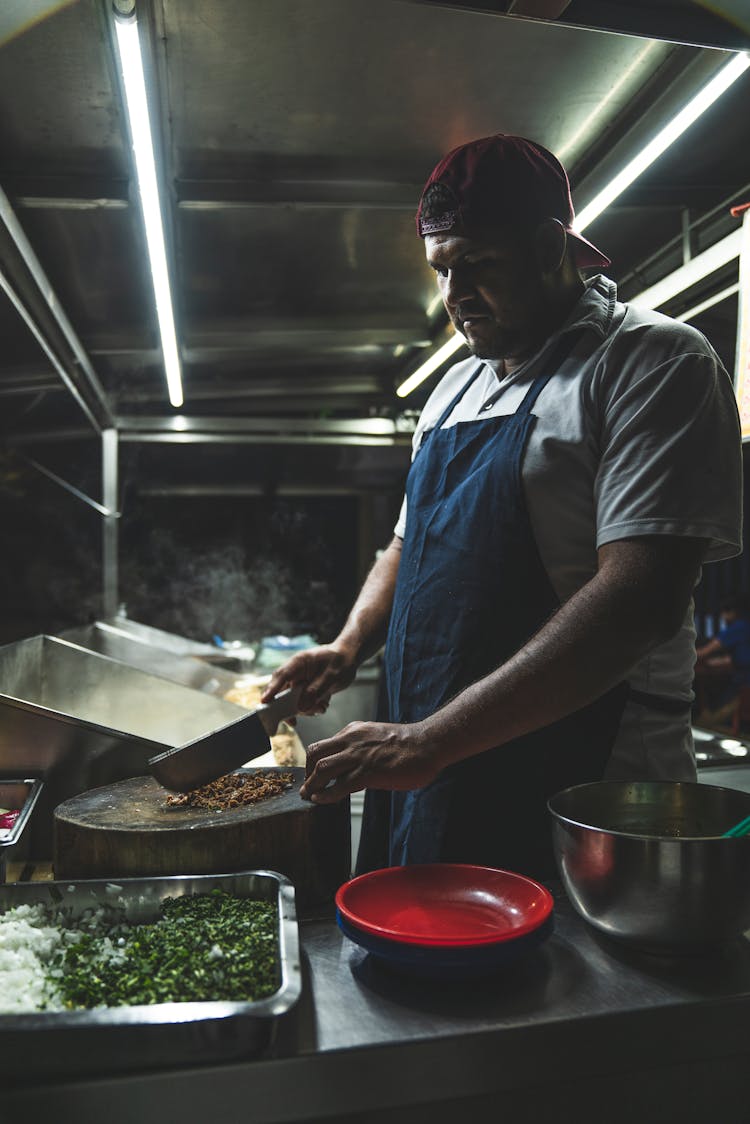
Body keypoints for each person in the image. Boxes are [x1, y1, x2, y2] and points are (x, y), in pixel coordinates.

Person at [263, 134, 742, 879]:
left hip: (583, 791)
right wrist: (349, 646)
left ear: (555, 248)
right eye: (443, 269)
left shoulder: (652, 362)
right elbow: (406, 545)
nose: (454, 296)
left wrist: (430, 741)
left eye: (479, 265)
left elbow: (638, 602)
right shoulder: (453, 391)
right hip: (435, 763)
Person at [695, 593, 750, 726]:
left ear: (734, 612)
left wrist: (680, 656)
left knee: (707, 720)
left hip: (743, 686)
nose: (722, 617)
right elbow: (741, 656)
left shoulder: (738, 627)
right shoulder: (746, 626)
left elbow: (704, 652)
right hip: (743, 682)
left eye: (725, 612)